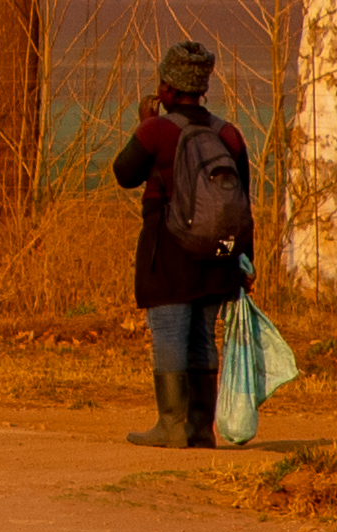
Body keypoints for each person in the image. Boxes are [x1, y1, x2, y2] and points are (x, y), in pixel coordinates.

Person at [110, 37, 259, 446]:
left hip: (170, 250)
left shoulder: (157, 131)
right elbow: (242, 203)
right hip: (220, 254)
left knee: (170, 333)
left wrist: (142, 124)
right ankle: (199, 429)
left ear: (168, 90)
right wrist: (242, 262)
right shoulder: (227, 135)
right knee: (202, 337)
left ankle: (171, 425)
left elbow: (124, 173)